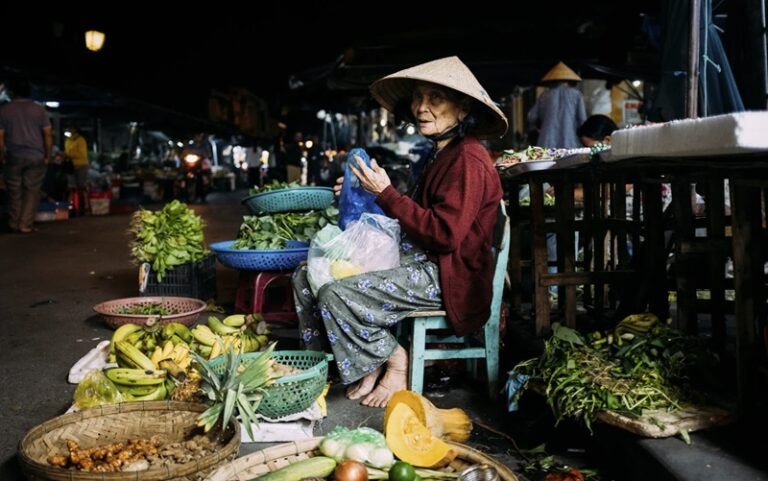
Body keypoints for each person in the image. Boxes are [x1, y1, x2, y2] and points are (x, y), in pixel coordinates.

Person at [292, 56, 508, 408]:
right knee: (306, 275)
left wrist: (386, 193)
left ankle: (394, 360)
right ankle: (332, 368)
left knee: (336, 293)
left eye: (435, 98)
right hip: (421, 259)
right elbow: (414, 216)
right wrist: (365, 193)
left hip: (448, 275)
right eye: (418, 97)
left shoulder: (468, 159)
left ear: (463, 107)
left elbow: (443, 235)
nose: (422, 107)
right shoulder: (441, 153)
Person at [0, 78, 52, 233]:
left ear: (12, 92)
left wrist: (1, 155)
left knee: (14, 191)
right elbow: (48, 135)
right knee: (32, 191)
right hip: (36, 156)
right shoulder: (39, 110)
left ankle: (14, 222)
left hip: (14, 156)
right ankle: (25, 224)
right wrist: (47, 155)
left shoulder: (4, 110)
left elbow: (0, 137)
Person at [527, 61, 586, 148]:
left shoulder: (544, 95)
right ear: (570, 80)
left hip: (547, 141)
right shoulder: (576, 94)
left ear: (552, 80)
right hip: (569, 140)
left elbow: (531, 117)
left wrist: (540, 125)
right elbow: (582, 120)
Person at [64, 125, 89, 216]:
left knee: (82, 187)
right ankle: (71, 208)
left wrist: (69, 155)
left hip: (81, 165)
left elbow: (82, 153)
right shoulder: (67, 141)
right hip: (71, 166)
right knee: (71, 187)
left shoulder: (81, 140)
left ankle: (85, 208)